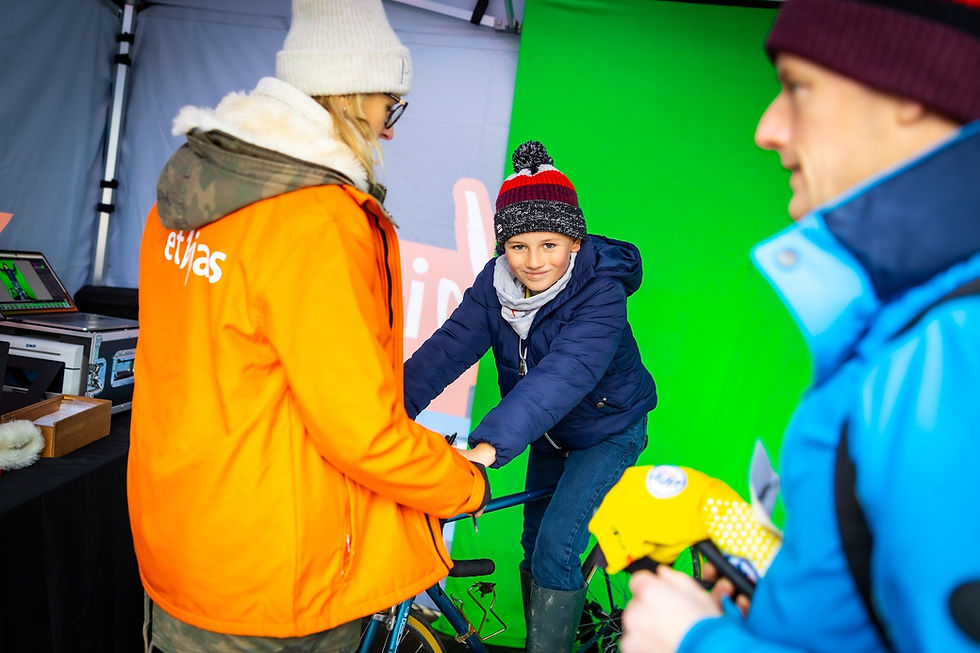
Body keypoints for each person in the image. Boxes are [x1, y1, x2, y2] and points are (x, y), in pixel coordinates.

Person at [128, 1, 490, 651]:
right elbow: (361, 432)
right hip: (273, 579)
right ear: (350, 98)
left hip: (178, 540)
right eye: (390, 106)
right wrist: (464, 482)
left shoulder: (183, 191)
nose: (391, 130)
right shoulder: (316, 219)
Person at [620, 1, 980, 652]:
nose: (766, 127)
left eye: (796, 87)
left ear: (909, 88)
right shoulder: (921, 321)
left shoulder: (957, 345)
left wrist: (693, 641)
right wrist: (796, 591)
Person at [403, 140, 658, 652]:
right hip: (547, 430)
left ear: (573, 241)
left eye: (549, 244)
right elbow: (449, 349)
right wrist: (380, 415)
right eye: (518, 246)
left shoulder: (601, 290)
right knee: (532, 546)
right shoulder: (495, 286)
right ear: (503, 248)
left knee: (555, 547)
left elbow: (565, 373)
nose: (533, 260)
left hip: (606, 431)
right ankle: (571, 631)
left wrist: (487, 448)